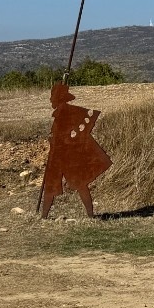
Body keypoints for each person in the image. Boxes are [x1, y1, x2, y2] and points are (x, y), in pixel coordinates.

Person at [39, 82, 111, 218]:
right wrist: (54, 139)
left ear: (58, 98)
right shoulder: (59, 113)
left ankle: (90, 215)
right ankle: (44, 216)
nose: (50, 100)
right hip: (57, 155)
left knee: (79, 184)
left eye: (53, 97)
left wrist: (72, 136)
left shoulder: (70, 111)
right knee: (52, 184)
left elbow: (89, 116)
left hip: (68, 155)